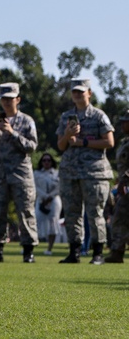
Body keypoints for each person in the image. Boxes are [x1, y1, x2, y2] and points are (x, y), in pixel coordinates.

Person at [55, 77, 114, 265]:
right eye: (74, 91)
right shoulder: (66, 117)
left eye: (81, 91)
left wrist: (83, 142)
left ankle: (98, 253)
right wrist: (67, 135)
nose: (77, 94)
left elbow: (109, 142)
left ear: (89, 93)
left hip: (94, 173)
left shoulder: (98, 116)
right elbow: (61, 146)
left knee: (94, 213)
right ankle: (75, 252)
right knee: (72, 214)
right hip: (70, 172)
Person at [0, 83, 38, 262]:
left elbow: (32, 146)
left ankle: (28, 251)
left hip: (21, 173)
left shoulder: (26, 121)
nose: (7, 102)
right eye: (4, 99)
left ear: (18, 100)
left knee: (25, 211)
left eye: (10, 99)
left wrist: (12, 133)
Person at [103, 112, 129, 263]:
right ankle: (117, 251)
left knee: (120, 217)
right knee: (119, 218)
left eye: (125, 121)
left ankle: (118, 251)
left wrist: (125, 179)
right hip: (125, 186)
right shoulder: (125, 141)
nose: (123, 124)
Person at [33, 153, 61, 255]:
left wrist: (50, 197)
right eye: (44, 160)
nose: (46, 162)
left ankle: (50, 248)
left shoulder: (57, 173)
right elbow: (34, 187)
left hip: (54, 201)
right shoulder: (36, 173)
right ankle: (31, 245)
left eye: (48, 160)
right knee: (36, 221)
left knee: (53, 223)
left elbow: (59, 187)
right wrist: (44, 196)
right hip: (41, 200)